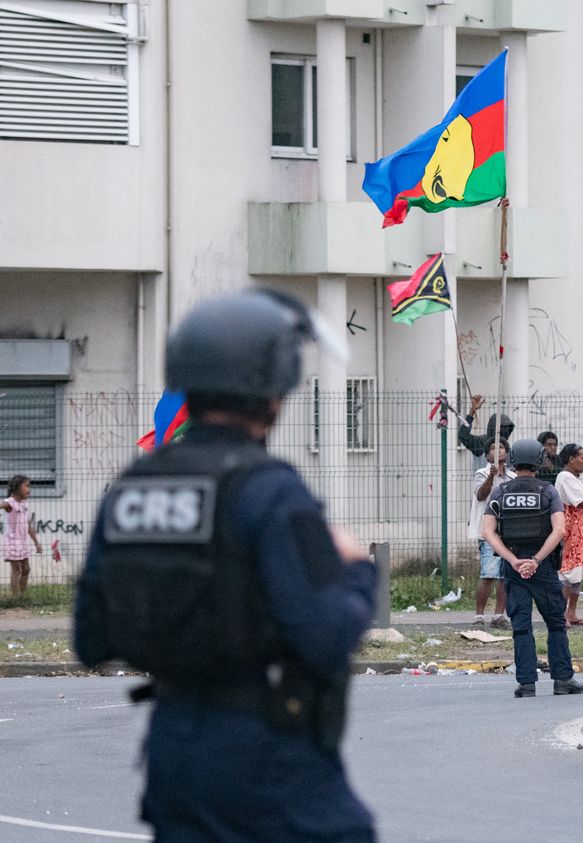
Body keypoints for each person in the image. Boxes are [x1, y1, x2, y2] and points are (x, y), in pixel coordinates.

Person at [73, 289, 377, 840]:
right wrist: (356, 569)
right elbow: (328, 635)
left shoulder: (132, 487)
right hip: (269, 754)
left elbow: (90, 638)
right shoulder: (268, 490)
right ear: (274, 390)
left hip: (173, 752)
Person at [482, 438, 583, 698]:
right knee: (555, 624)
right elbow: (560, 530)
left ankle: (526, 684)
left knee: (521, 627)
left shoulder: (500, 492)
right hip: (544, 567)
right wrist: (537, 560)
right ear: (540, 461)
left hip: (514, 568)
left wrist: (513, 560)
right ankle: (563, 680)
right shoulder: (548, 491)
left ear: (514, 461)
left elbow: (488, 532)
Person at [470, 438, 514, 628]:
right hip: (488, 531)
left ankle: (498, 615)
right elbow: (481, 495)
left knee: (504, 575)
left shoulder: (512, 478)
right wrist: (491, 477)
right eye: (493, 448)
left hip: (506, 532)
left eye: (501, 447)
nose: (498, 451)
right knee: (488, 573)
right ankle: (479, 615)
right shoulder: (481, 473)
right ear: (487, 454)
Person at [554, 443, 583, 627]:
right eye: (582, 457)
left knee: (578, 575)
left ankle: (571, 613)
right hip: (573, 533)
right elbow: (581, 501)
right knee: (568, 574)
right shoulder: (564, 477)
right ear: (571, 459)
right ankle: (561, 614)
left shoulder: (572, 478)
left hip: (582, 535)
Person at [2, 474, 43, 596]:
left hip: (22, 542)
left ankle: (22, 595)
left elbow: (28, 525)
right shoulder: (10, 503)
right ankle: (16, 597)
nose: (29, 489)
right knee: (16, 570)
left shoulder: (24, 504)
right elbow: (3, 504)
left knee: (26, 569)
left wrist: (36, 542)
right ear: (17, 487)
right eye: (26, 486)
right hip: (13, 542)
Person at [457, 394, 515, 470]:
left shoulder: (508, 449)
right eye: (502, 428)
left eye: (508, 429)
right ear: (494, 427)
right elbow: (463, 435)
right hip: (483, 481)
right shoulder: (480, 443)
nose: (505, 431)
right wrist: (472, 411)